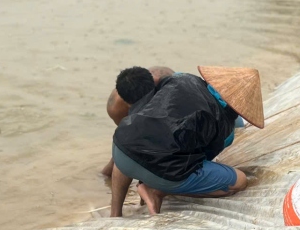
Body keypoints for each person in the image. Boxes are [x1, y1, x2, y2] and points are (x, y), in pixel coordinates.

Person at [109, 65, 263, 217]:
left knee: (133, 138)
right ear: (239, 109)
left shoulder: (182, 77)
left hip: (121, 151)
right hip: (161, 169)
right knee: (240, 181)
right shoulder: (226, 129)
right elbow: (200, 161)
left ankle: (115, 214)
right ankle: (158, 190)